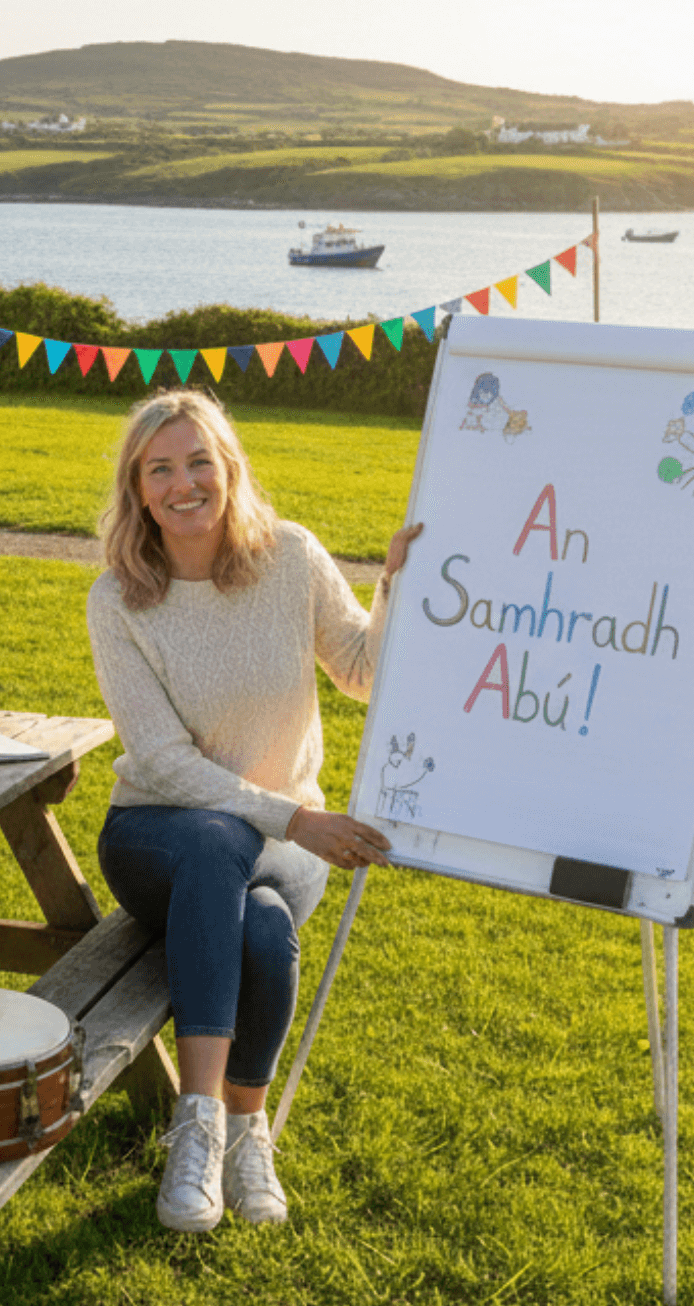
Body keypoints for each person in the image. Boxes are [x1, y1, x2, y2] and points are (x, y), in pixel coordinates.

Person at [84, 389, 422, 1234]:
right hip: (158, 833)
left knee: (265, 926)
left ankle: (244, 1132)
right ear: (138, 488)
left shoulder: (290, 557)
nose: (183, 481)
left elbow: (360, 670)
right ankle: (196, 1124)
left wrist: (394, 586)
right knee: (210, 840)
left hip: (277, 846)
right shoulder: (118, 599)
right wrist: (295, 819)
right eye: (160, 468)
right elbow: (161, 762)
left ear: (228, 467)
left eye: (199, 460)